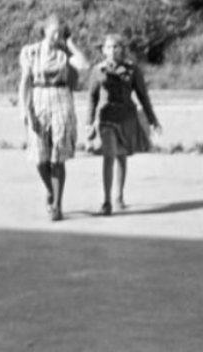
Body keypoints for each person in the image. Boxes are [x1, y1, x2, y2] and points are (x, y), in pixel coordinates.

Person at [18, 15, 89, 221]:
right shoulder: (30, 52)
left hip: (61, 99)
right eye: (54, 31)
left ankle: (57, 205)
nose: (57, 35)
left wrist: (70, 43)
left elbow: (83, 65)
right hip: (38, 99)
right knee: (40, 157)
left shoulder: (64, 52)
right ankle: (49, 188)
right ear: (45, 30)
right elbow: (25, 81)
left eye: (60, 32)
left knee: (58, 155)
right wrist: (24, 109)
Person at [87, 34, 160, 214]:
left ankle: (118, 196)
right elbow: (92, 96)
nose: (112, 51)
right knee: (109, 155)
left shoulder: (132, 69)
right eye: (109, 47)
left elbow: (142, 95)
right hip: (106, 117)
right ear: (104, 50)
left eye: (116, 47)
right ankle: (106, 201)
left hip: (126, 117)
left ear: (122, 49)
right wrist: (89, 121)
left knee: (122, 156)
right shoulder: (98, 70)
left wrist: (153, 120)